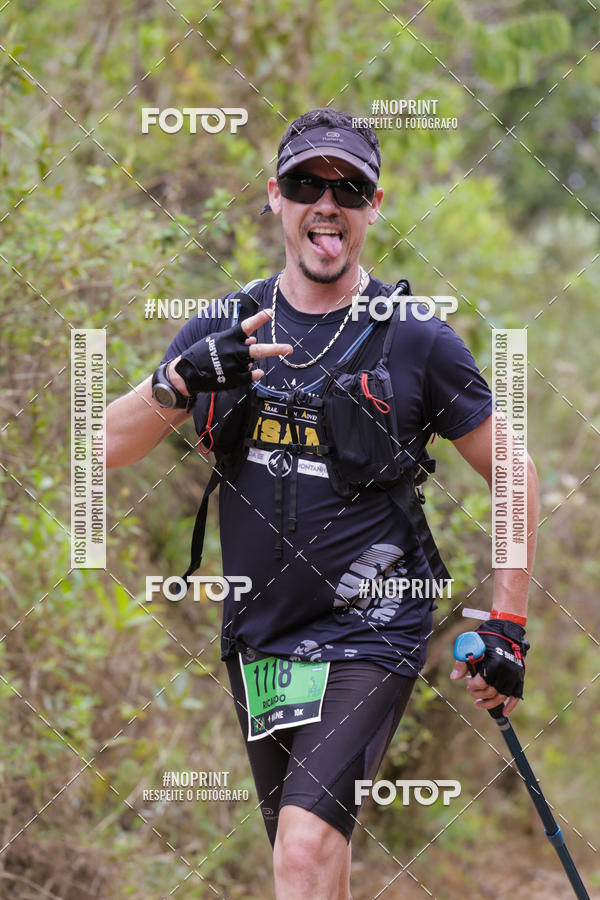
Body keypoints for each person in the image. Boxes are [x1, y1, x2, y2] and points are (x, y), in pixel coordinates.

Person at [107, 108, 538, 899]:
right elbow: (98, 450)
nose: (327, 202)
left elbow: (513, 468)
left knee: (300, 856)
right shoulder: (226, 328)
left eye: (351, 187)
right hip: (262, 638)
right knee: (317, 864)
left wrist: (507, 622)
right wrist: (180, 381)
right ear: (276, 196)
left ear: (376, 205)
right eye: (308, 183)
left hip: (373, 627)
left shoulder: (415, 340)